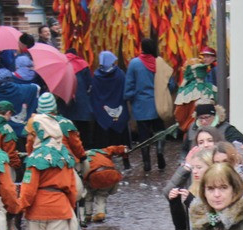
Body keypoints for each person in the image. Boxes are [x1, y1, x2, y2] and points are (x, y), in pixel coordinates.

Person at [17, 112, 78, 230]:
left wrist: (20, 208)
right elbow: (72, 189)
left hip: (37, 210)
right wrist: (70, 209)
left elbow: (28, 190)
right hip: (60, 207)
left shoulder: (35, 158)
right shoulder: (66, 157)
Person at [124, 39, 167, 171]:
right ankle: (159, 150)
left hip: (141, 106)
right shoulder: (160, 62)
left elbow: (129, 84)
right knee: (160, 131)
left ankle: (147, 163)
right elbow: (169, 82)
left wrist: (128, 97)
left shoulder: (134, 63)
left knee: (144, 136)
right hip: (158, 104)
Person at [90, 51, 130, 153]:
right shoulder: (120, 74)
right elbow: (125, 89)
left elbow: (93, 93)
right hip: (119, 108)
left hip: (102, 111)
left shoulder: (96, 76)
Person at [0, 68, 38, 140]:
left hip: (5, 136)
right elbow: (37, 88)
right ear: (11, 78)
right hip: (24, 133)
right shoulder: (27, 89)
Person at [62, 48, 95, 148]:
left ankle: (71, 147)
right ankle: (86, 148)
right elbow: (89, 83)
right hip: (82, 100)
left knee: (69, 126)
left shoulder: (61, 65)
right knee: (83, 126)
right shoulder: (83, 64)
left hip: (67, 101)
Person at [173, 58, 216, 132]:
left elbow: (179, 116)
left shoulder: (185, 93)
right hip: (213, 131)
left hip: (192, 132)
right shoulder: (213, 89)